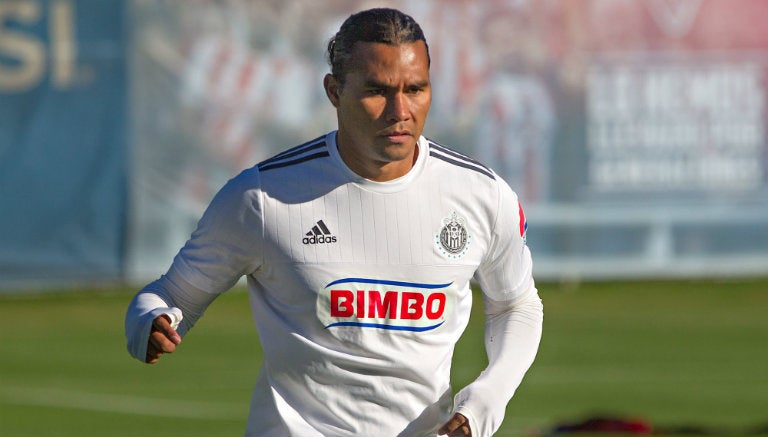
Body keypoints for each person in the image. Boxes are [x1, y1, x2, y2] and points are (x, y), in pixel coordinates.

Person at [125, 8, 543, 437]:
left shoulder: (482, 195)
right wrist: (150, 322)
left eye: (415, 89)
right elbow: (171, 294)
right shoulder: (261, 198)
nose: (400, 110)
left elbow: (517, 304)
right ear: (334, 91)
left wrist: (487, 400)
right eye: (377, 91)